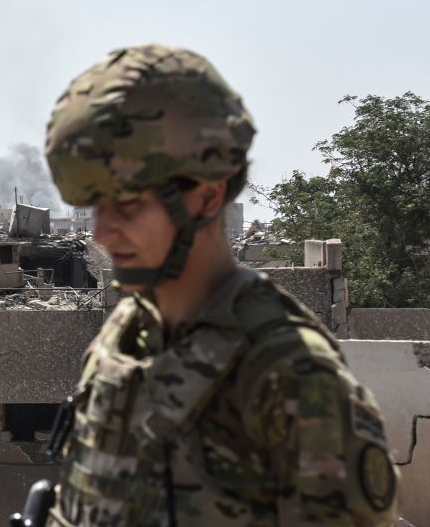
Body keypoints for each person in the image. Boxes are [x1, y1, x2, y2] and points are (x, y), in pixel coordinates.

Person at [40, 45, 398, 526]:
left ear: (206, 197)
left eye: (125, 206)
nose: (101, 234)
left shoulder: (292, 376)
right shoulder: (125, 335)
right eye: (93, 208)